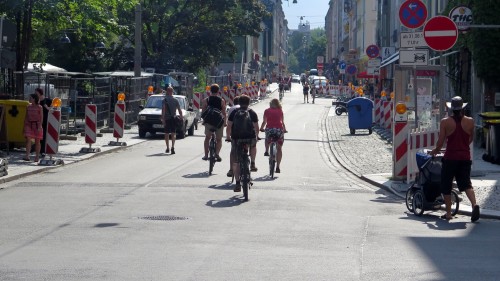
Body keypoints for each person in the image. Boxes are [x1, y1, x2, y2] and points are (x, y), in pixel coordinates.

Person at [430, 96, 480, 222]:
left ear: (451, 109)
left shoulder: (445, 122)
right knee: (466, 183)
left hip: (450, 157)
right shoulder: (470, 121)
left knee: (446, 184)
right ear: (463, 108)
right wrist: (462, 146)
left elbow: (440, 143)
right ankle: (474, 205)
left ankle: (448, 213)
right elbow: (470, 139)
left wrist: (435, 151)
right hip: (465, 157)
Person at [226, 94, 259, 192]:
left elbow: (229, 126)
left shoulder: (234, 113)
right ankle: (252, 163)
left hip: (237, 138)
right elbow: (256, 128)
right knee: (253, 145)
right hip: (249, 137)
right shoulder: (252, 112)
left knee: (236, 161)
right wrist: (256, 136)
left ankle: (237, 184)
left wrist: (228, 137)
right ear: (249, 103)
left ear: (239, 103)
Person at [260, 98, 287, 173]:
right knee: (279, 148)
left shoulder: (267, 111)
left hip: (270, 129)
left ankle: (266, 150)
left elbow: (264, 122)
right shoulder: (280, 111)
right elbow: (282, 122)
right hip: (279, 130)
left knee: (267, 138)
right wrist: (284, 130)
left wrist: (261, 128)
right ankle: (278, 166)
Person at [201, 84, 227, 161]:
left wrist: (204, 121)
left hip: (209, 121)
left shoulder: (206, 100)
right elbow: (224, 112)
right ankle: (217, 154)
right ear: (218, 91)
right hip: (218, 122)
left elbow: (203, 111)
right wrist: (225, 122)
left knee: (207, 138)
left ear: (210, 90)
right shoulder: (221, 100)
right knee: (219, 139)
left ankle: (206, 155)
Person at [161, 87, 183, 154]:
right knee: (173, 133)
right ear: (172, 91)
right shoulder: (175, 100)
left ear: (167, 92)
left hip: (167, 119)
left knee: (166, 134)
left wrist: (163, 119)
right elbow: (179, 110)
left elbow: (163, 110)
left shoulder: (164, 100)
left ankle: (167, 148)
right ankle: (173, 147)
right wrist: (181, 117)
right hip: (173, 118)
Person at [23, 93, 43, 162]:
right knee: (28, 139)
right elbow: (26, 116)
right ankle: (27, 156)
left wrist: (40, 126)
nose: (29, 99)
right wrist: (24, 126)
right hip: (29, 124)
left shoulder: (39, 107)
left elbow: (41, 117)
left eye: (31, 98)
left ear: (34, 99)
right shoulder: (28, 107)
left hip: (37, 125)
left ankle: (37, 156)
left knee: (37, 141)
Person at [226, 96, 241, 177]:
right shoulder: (248, 109)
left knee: (233, 152)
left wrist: (228, 136)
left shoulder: (232, 109)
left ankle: (231, 170)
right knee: (247, 149)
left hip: (235, 133)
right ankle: (250, 164)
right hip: (247, 135)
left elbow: (229, 124)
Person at [36, 88, 52, 156]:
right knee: (38, 136)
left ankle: (43, 151)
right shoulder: (37, 102)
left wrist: (46, 107)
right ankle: (38, 150)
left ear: (39, 93)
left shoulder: (48, 100)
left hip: (46, 120)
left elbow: (52, 110)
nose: (35, 94)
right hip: (38, 120)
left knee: (44, 135)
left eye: (36, 93)